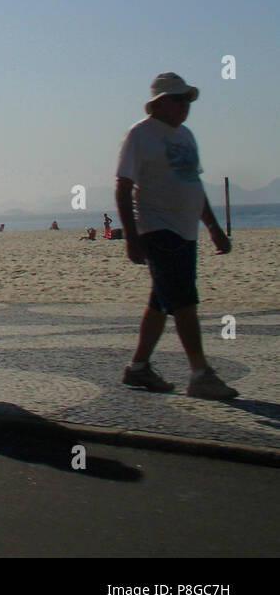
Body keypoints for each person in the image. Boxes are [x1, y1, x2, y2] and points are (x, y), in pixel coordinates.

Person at [116, 73, 237, 400]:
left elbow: (194, 186)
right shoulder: (140, 135)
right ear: (160, 103)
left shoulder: (186, 136)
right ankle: (201, 374)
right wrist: (131, 236)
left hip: (186, 230)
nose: (186, 106)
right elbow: (123, 186)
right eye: (179, 99)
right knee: (184, 301)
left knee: (161, 301)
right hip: (158, 229)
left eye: (188, 100)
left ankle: (138, 368)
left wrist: (212, 227)